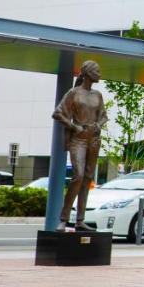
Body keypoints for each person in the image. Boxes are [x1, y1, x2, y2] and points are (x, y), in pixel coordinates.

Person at [51, 59, 108, 231]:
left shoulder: (98, 95)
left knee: (88, 178)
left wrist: (98, 125)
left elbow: (103, 116)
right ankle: (64, 218)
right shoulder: (74, 93)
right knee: (78, 175)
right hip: (79, 139)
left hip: (94, 139)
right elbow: (58, 113)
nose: (99, 74)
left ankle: (80, 220)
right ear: (88, 73)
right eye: (97, 71)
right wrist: (74, 127)